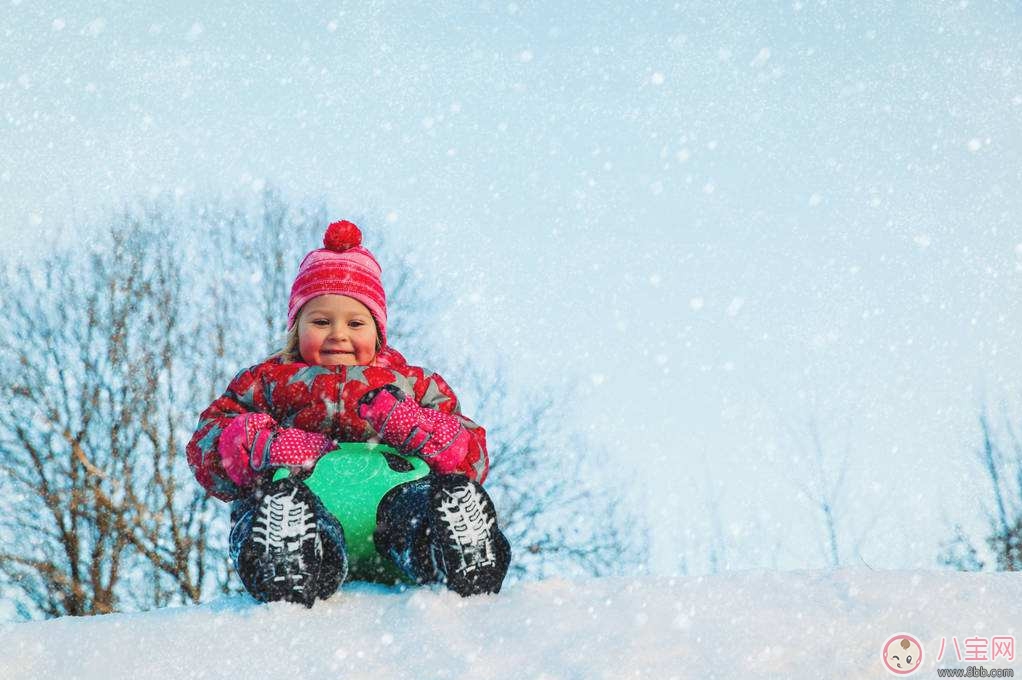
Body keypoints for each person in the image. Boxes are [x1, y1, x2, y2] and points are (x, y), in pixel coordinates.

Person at [186, 219, 511, 606]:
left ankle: (455, 550)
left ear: (377, 331)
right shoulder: (266, 382)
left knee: (424, 508)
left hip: (394, 497)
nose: (338, 333)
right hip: (306, 498)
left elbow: (471, 453)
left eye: (355, 323)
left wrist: (425, 430)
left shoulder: (412, 383)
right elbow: (208, 445)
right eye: (321, 321)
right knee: (268, 506)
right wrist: (263, 444)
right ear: (297, 328)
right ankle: (289, 561)